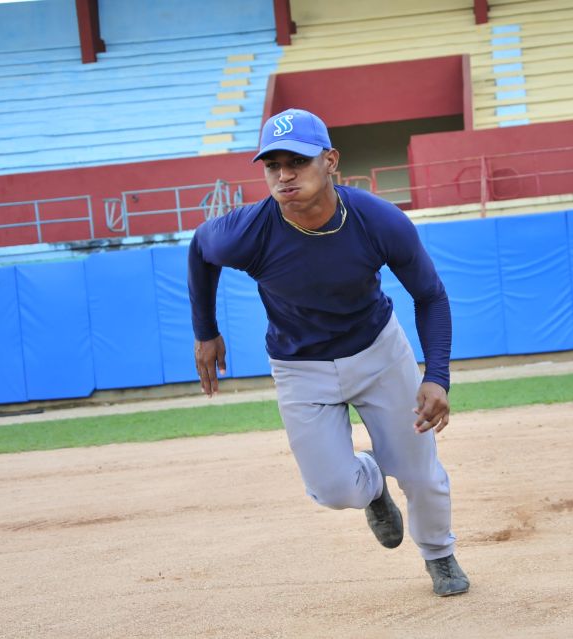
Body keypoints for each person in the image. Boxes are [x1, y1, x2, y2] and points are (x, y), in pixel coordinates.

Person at [187, 108, 469, 597]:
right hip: (300, 367)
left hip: (378, 352)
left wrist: (436, 376)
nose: (284, 174)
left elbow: (431, 296)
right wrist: (205, 330)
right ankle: (373, 484)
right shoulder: (247, 232)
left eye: (296, 160)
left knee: (420, 471)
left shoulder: (379, 221)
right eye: (271, 164)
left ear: (330, 161)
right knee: (335, 490)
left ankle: (439, 555)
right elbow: (200, 248)